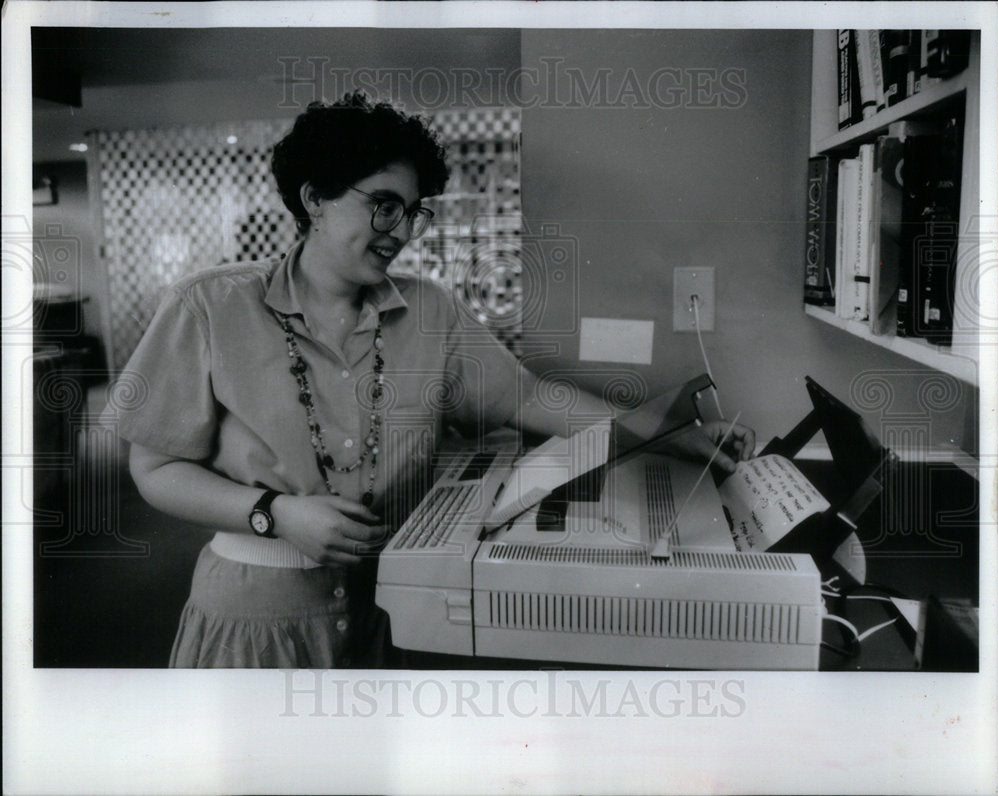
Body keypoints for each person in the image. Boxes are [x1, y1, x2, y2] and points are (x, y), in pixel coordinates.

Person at [116, 92, 754, 669]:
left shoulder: (432, 310)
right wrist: (274, 515)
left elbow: (528, 397)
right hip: (257, 626)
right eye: (384, 206)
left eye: (414, 213)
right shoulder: (209, 306)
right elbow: (155, 469)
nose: (401, 233)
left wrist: (669, 434)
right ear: (314, 199)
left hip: (400, 610)